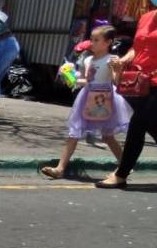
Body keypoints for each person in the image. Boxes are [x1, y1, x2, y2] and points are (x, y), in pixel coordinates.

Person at [40, 25, 130, 180]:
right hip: (87, 97)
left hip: (105, 98)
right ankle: (60, 168)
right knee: (74, 133)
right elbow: (86, 81)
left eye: (96, 40)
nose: (92, 43)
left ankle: (125, 166)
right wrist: (70, 77)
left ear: (108, 42)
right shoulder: (88, 59)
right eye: (91, 39)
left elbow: (116, 81)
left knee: (108, 136)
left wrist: (118, 68)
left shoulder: (110, 60)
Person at [96, 0, 157, 189]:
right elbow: (137, 48)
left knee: (138, 124)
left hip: (155, 81)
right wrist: (123, 60)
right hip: (138, 81)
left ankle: (121, 174)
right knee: (150, 124)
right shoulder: (147, 17)